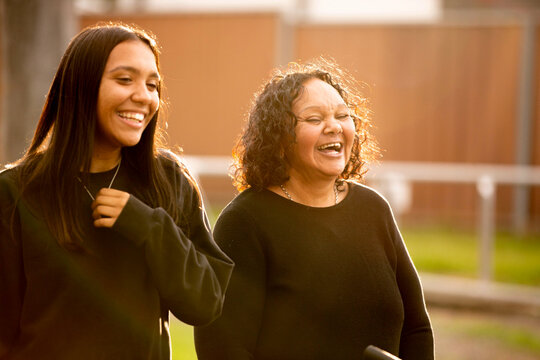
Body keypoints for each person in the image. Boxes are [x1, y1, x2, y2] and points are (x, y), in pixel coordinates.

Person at [0, 22, 233, 359]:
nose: (144, 96)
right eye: (125, 80)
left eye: (153, 85)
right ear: (81, 87)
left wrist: (149, 227)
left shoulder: (168, 181)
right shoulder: (14, 194)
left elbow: (205, 303)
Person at [194, 59, 434, 360]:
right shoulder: (244, 222)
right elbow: (222, 348)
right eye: (314, 118)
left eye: (343, 115)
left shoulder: (373, 209)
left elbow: (417, 328)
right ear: (279, 138)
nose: (334, 126)